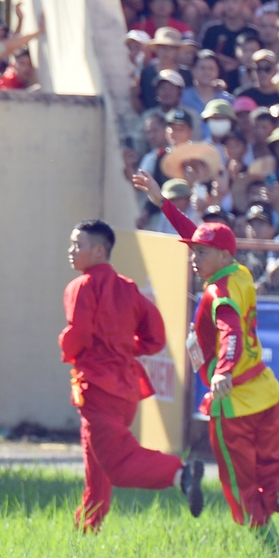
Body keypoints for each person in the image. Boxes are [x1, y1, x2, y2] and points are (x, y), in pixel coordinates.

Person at [131, 170, 279, 552]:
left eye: (201, 253)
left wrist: (221, 373)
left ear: (221, 254)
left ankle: (272, 550)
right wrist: (163, 203)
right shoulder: (238, 273)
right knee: (274, 463)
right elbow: (200, 235)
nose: (194, 257)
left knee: (239, 479)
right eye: (193, 251)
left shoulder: (219, 291)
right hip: (264, 392)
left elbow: (231, 332)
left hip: (232, 400)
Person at [60, 218, 202, 532]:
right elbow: (156, 337)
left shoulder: (81, 286)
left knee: (118, 465)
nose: (71, 251)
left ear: (99, 251)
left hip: (97, 386)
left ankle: (180, 474)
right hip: (125, 390)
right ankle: (87, 529)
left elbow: (78, 335)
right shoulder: (127, 287)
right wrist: (124, 348)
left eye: (78, 245)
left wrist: (67, 346)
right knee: (97, 463)